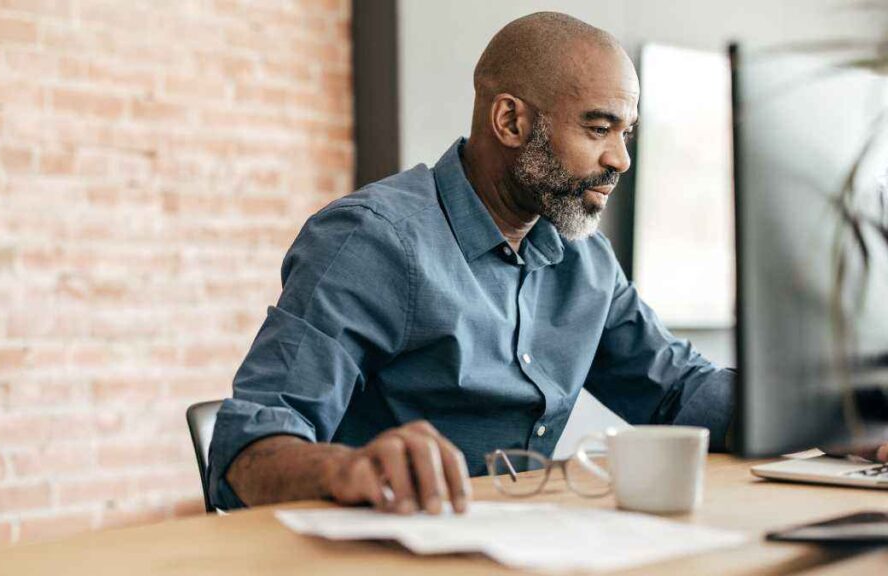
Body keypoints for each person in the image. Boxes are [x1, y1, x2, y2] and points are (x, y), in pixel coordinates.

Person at [206, 12, 887, 515]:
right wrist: (345, 468)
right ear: (509, 121)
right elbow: (248, 445)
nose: (620, 159)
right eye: (598, 128)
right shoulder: (373, 241)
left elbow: (678, 392)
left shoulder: (584, 260)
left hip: (525, 543)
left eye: (627, 133)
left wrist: (849, 415)